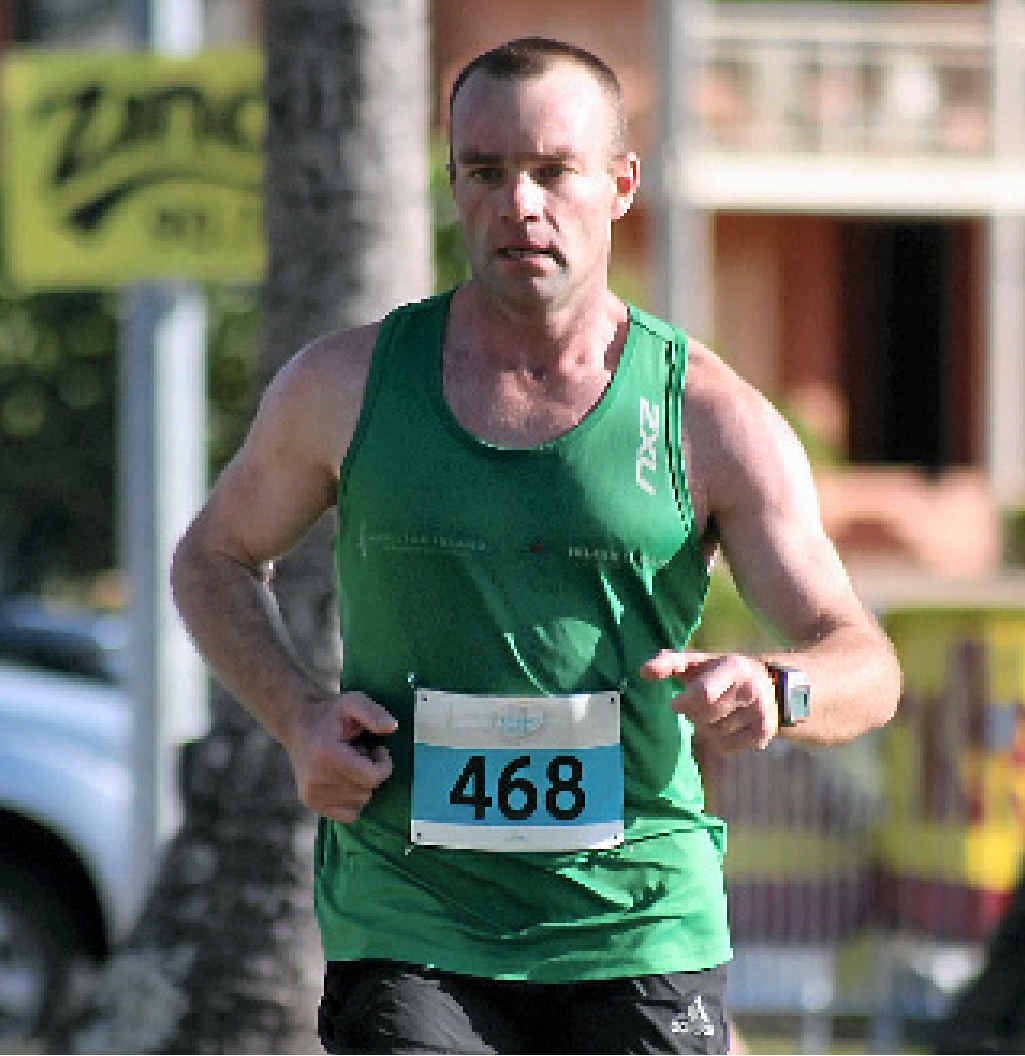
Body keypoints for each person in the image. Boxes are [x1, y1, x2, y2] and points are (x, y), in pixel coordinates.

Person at [171, 36, 902, 1055]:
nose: (519, 202)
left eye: (552, 170)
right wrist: (297, 718)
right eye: (485, 171)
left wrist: (781, 692)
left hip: (636, 914)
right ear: (453, 184)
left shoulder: (707, 416)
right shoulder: (343, 386)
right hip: (409, 912)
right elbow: (210, 559)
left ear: (617, 184)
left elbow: (864, 665)